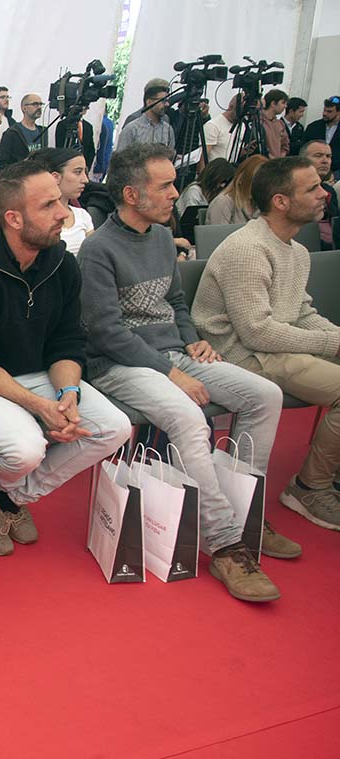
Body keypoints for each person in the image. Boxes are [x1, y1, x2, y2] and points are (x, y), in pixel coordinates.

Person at [79, 144, 295, 602]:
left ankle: (244, 516)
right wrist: (171, 372)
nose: (176, 193)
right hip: (117, 365)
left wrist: (192, 338)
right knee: (190, 419)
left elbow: (175, 303)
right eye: (165, 186)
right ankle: (226, 544)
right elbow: (105, 332)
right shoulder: (97, 250)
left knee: (266, 395)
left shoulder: (161, 237)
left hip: (173, 354)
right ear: (132, 194)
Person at [0, 160, 131, 556]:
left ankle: (6, 498)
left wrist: (68, 394)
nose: (63, 214)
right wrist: (41, 406)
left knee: (114, 427)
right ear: (13, 219)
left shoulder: (62, 264)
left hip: (36, 372)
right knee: (26, 448)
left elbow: (67, 341)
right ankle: (8, 495)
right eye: (48, 205)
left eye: (59, 201)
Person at [191, 156, 340, 531]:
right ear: (281, 201)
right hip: (243, 355)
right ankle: (309, 487)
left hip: (275, 348)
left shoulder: (295, 250)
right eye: (312, 188)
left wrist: (335, 339)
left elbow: (301, 312)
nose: (324, 193)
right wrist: (333, 343)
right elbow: (257, 332)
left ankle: (328, 471)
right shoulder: (248, 249)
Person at [30, 147, 94, 256]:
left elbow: (93, 255)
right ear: (55, 177)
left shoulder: (83, 215)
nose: (85, 180)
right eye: (78, 172)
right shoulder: (37, 218)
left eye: (85, 172)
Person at [115, 84, 176, 155]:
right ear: (149, 102)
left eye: (167, 101)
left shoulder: (168, 129)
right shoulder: (132, 129)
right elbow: (120, 158)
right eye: (163, 101)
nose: (167, 104)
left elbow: (170, 156)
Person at [207, 154, 266, 224]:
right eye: (255, 182)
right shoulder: (223, 202)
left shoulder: (261, 205)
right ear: (241, 179)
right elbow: (217, 230)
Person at [0, 93, 47, 170]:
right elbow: (1, 164)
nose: (39, 107)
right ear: (24, 108)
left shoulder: (43, 131)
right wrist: (22, 166)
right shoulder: (12, 133)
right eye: (35, 104)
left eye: (41, 104)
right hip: (20, 176)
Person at [303, 140, 338, 249]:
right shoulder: (292, 190)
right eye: (318, 156)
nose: (325, 161)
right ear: (302, 160)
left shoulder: (329, 190)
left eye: (328, 156)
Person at [302, 95, 340, 180]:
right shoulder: (313, 127)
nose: (325, 114)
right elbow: (303, 149)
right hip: (312, 172)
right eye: (324, 110)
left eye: (329, 111)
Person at [53, 106, 97, 171]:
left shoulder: (88, 126)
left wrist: (86, 167)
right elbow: (59, 148)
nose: (84, 109)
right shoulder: (62, 124)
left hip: (83, 164)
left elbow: (91, 149)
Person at [260, 90, 291, 158]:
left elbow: (285, 144)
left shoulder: (280, 124)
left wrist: (280, 158)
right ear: (273, 103)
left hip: (277, 162)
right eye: (283, 103)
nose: (285, 106)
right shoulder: (258, 121)